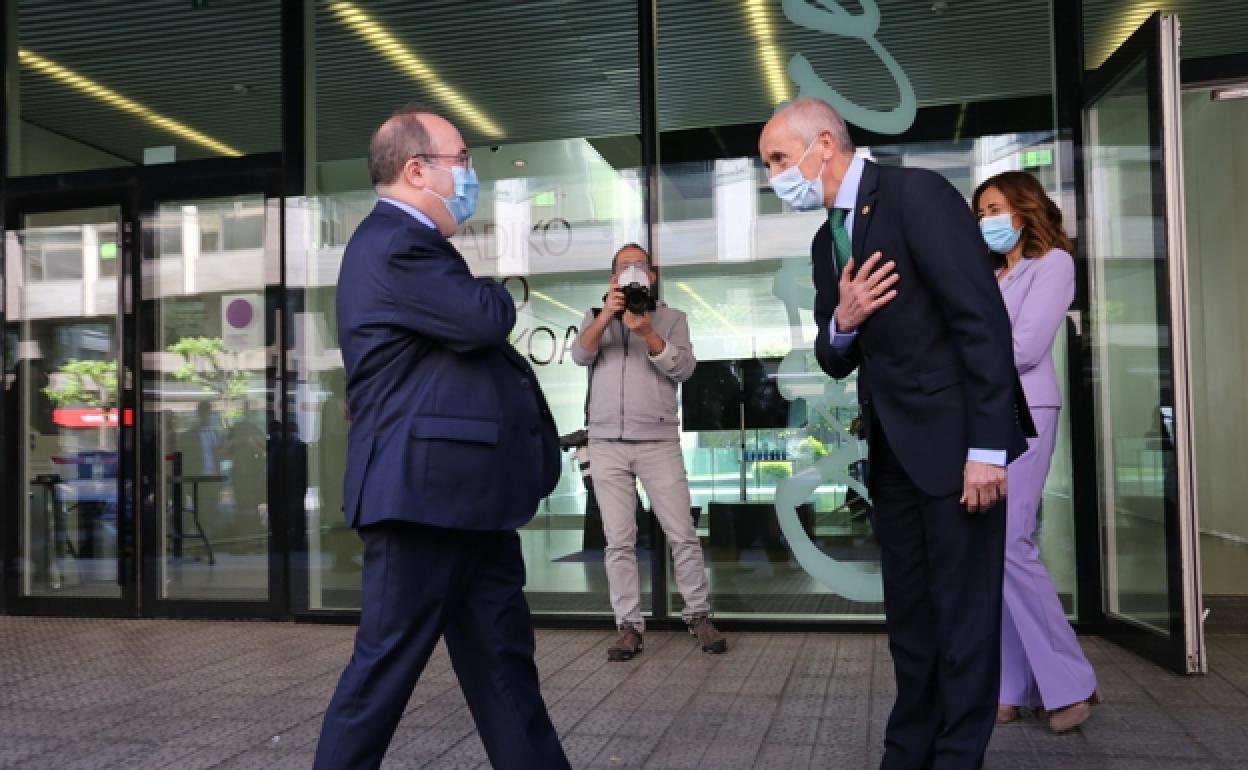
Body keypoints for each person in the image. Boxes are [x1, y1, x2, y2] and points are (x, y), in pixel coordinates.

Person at [759, 98, 1033, 770]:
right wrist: (843, 320)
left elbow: (981, 322)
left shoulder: (917, 196)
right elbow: (834, 355)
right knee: (911, 623)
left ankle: (956, 757)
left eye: (775, 159)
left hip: (959, 450)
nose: (773, 176)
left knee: (965, 623)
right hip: (894, 456)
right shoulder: (830, 239)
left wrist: (987, 450)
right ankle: (907, 752)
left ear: (823, 144)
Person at [313, 106, 570, 770]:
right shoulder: (398, 242)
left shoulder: (410, 246)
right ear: (416, 169)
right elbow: (482, 319)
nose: (470, 174)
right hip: (420, 502)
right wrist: (497, 294)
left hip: (466, 504)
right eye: (462, 160)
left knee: (506, 674)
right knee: (382, 676)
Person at [973, 171, 1100, 734]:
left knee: (1010, 544)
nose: (986, 222)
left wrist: (962, 348)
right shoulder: (993, 276)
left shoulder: (1053, 266)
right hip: (986, 413)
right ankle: (1012, 685)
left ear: (1024, 210)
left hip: (1026, 410)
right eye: (979, 214)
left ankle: (1071, 682)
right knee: (993, 550)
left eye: (994, 208)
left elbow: (1023, 348)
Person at [571, 243, 727, 661]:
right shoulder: (595, 316)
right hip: (606, 443)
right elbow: (580, 355)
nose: (634, 271)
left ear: (652, 276)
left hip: (658, 442)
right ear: (613, 278)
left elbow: (684, 368)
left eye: (640, 265)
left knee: (682, 534)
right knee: (618, 541)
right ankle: (628, 627)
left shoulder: (672, 318)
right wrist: (607, 315)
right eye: (625, 267)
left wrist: (645, 331)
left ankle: (698, 615)